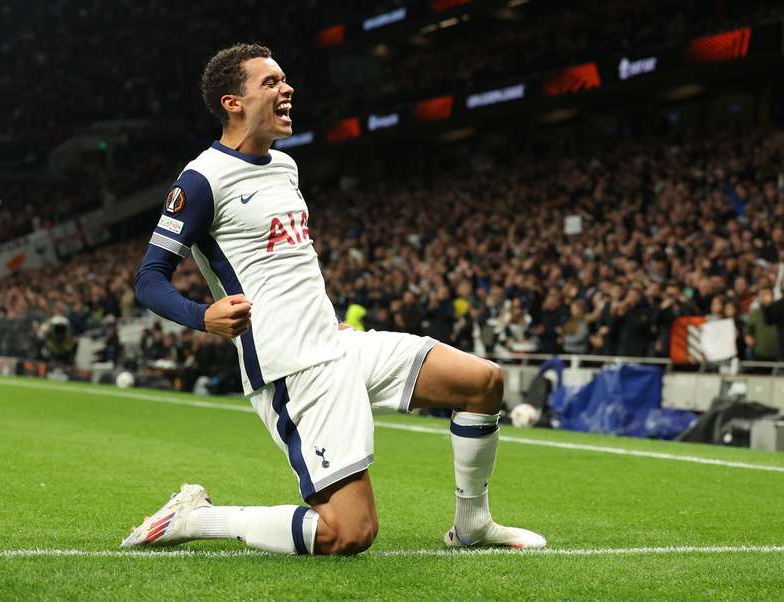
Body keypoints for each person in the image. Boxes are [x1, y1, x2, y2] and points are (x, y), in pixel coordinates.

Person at [125, 43, 545, 556]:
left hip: (335, 344)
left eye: (285, 80)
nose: (287, 89)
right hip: (293, 368)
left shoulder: (285, 167)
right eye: (271, 82)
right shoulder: (202, 180)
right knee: (349, 534)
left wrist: (329, 321)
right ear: (233, 102)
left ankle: (474, 526)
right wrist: (202, 316)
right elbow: (149, 278)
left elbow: (290, 263)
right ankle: (198, 518)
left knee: (482, 382)